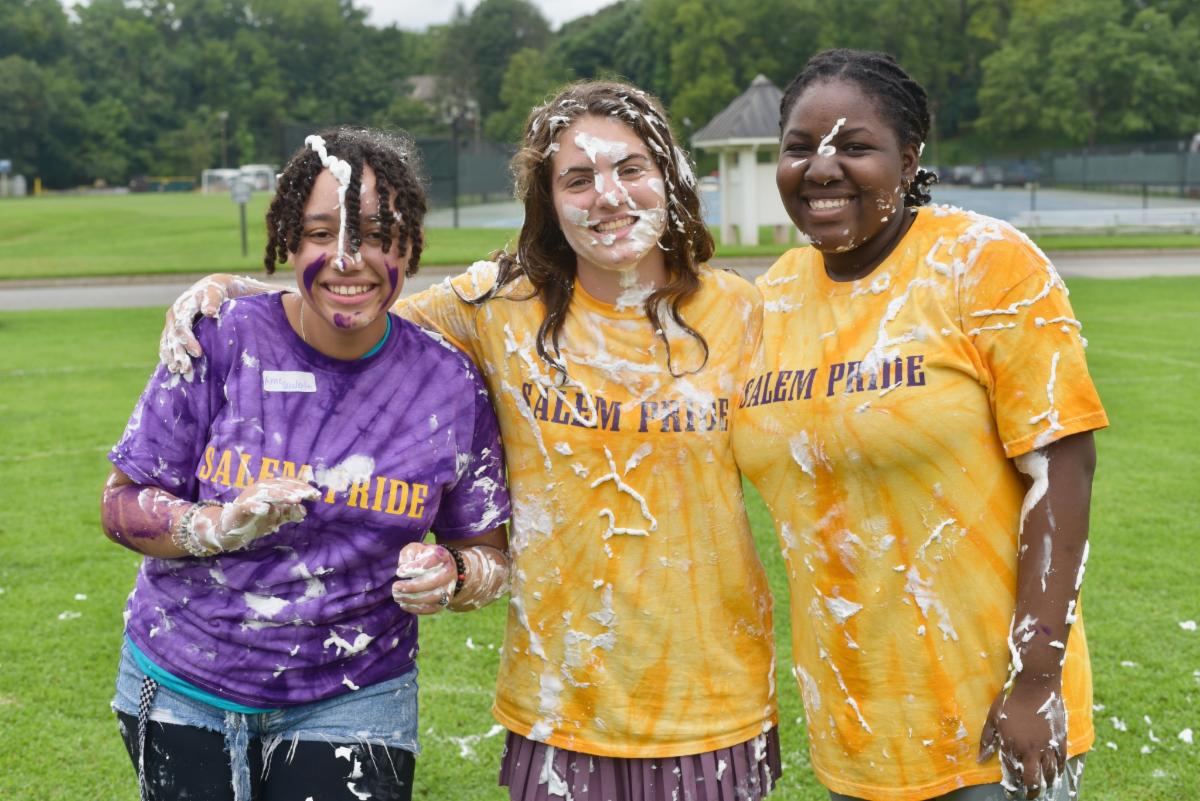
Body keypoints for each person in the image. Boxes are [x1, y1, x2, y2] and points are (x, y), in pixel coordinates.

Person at [159, 82, 782, 800]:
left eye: (631, 168)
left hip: (713, 696)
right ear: (548, 201)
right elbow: (349, 304)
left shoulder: (744, 310)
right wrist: (231, 291)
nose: (608, 196)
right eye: (577, 179)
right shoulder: (501, 304)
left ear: (670, 174)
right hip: (561, 700)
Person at [732, 49, 1107, 801]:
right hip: (854, 723)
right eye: (799, 148)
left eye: (855, 146)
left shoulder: (986, 265)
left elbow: (1062, 468)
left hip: (990, 725)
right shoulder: (771, 296)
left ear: (909, 158)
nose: (822, 167)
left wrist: (1035, 680)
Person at [102, 127, 511, 801]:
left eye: (377, 234)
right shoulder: (223, 337)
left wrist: (456, 573)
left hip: (356, 691)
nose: (349, 258)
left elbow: (486, 547)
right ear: (289, 242)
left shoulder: (449, 385)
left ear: (409, 246)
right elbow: (120, 503)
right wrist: (215, 524)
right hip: (181, 681)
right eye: (322, 233)